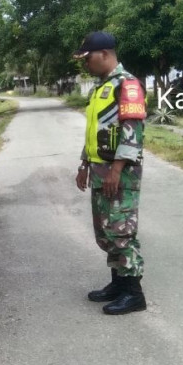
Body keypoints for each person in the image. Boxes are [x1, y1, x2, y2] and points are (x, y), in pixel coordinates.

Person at [73, 31, 148, 315]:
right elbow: (96, 132)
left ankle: (134, 293)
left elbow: (132, 132)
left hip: (121, 173)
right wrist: (84, 165)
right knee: (106, 231)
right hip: (99, 170)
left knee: (121, 231)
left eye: (87, 58)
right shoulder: (100, 88)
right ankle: (118, 284)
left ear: (104, 54)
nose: (85, 64)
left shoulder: (127, 84)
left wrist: (116, 170)